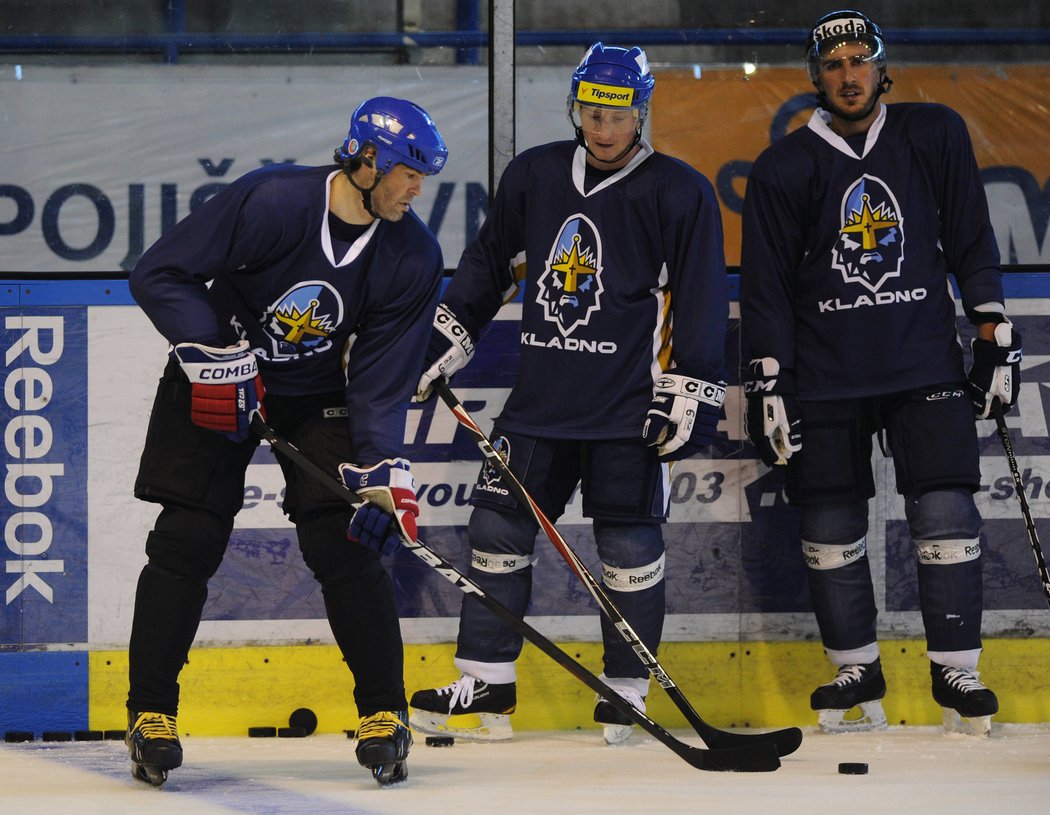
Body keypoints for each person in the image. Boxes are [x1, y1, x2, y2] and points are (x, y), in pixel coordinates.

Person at [404, 42, 729, 745]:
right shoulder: (536, 175)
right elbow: (492, 261)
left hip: (626, 410)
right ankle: (488, 681)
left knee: (628, 542)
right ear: (575, 107)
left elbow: (700, 296)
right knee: (495, 528)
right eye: (590, 111)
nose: (603, 128)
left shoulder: (680, 190)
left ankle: (627, 688)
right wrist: (446, 335)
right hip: (540, 405)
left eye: (617, 114)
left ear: (640, 112)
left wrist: (690, 390)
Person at [124, 96, 448, 787]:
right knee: (188, 536)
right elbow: (160, 273)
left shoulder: (413, 254)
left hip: (313, 393)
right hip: (218, 374)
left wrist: (381, 464)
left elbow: (383, 377)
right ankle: (151, 712)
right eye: (409, 174)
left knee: (347, 536)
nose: (417, 190)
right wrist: (212, 351)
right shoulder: (272, 201)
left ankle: (384, 712)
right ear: (369, 162)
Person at [739, 9, 1022, 736]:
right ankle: (855, 666)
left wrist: (992, 325)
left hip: (922, 358)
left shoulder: (935, 133)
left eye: (859, 60)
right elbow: (766, 284)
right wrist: (770, 377)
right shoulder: (784, 166)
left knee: (946, 510)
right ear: (816, 77)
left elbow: (969, 234)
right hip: (826, 372)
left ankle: (956, 667)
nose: (849, 74)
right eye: (833, 66)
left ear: (879, 64)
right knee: (829, 521)